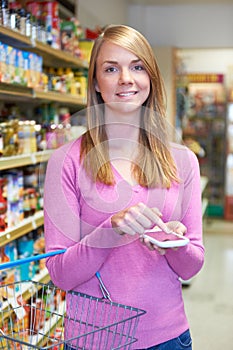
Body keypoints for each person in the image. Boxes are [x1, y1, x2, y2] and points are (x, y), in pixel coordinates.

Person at [44, 24, 205, 350]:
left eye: (137, 66)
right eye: (110, 68)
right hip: (91, 341)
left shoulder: (182, 160)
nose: (126, 79)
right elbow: (60, 275)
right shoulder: (66, 161)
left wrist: (174, 243)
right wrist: (111, 230)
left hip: (168, 338)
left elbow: (191, 266)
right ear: (96, 83)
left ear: (151, 78)